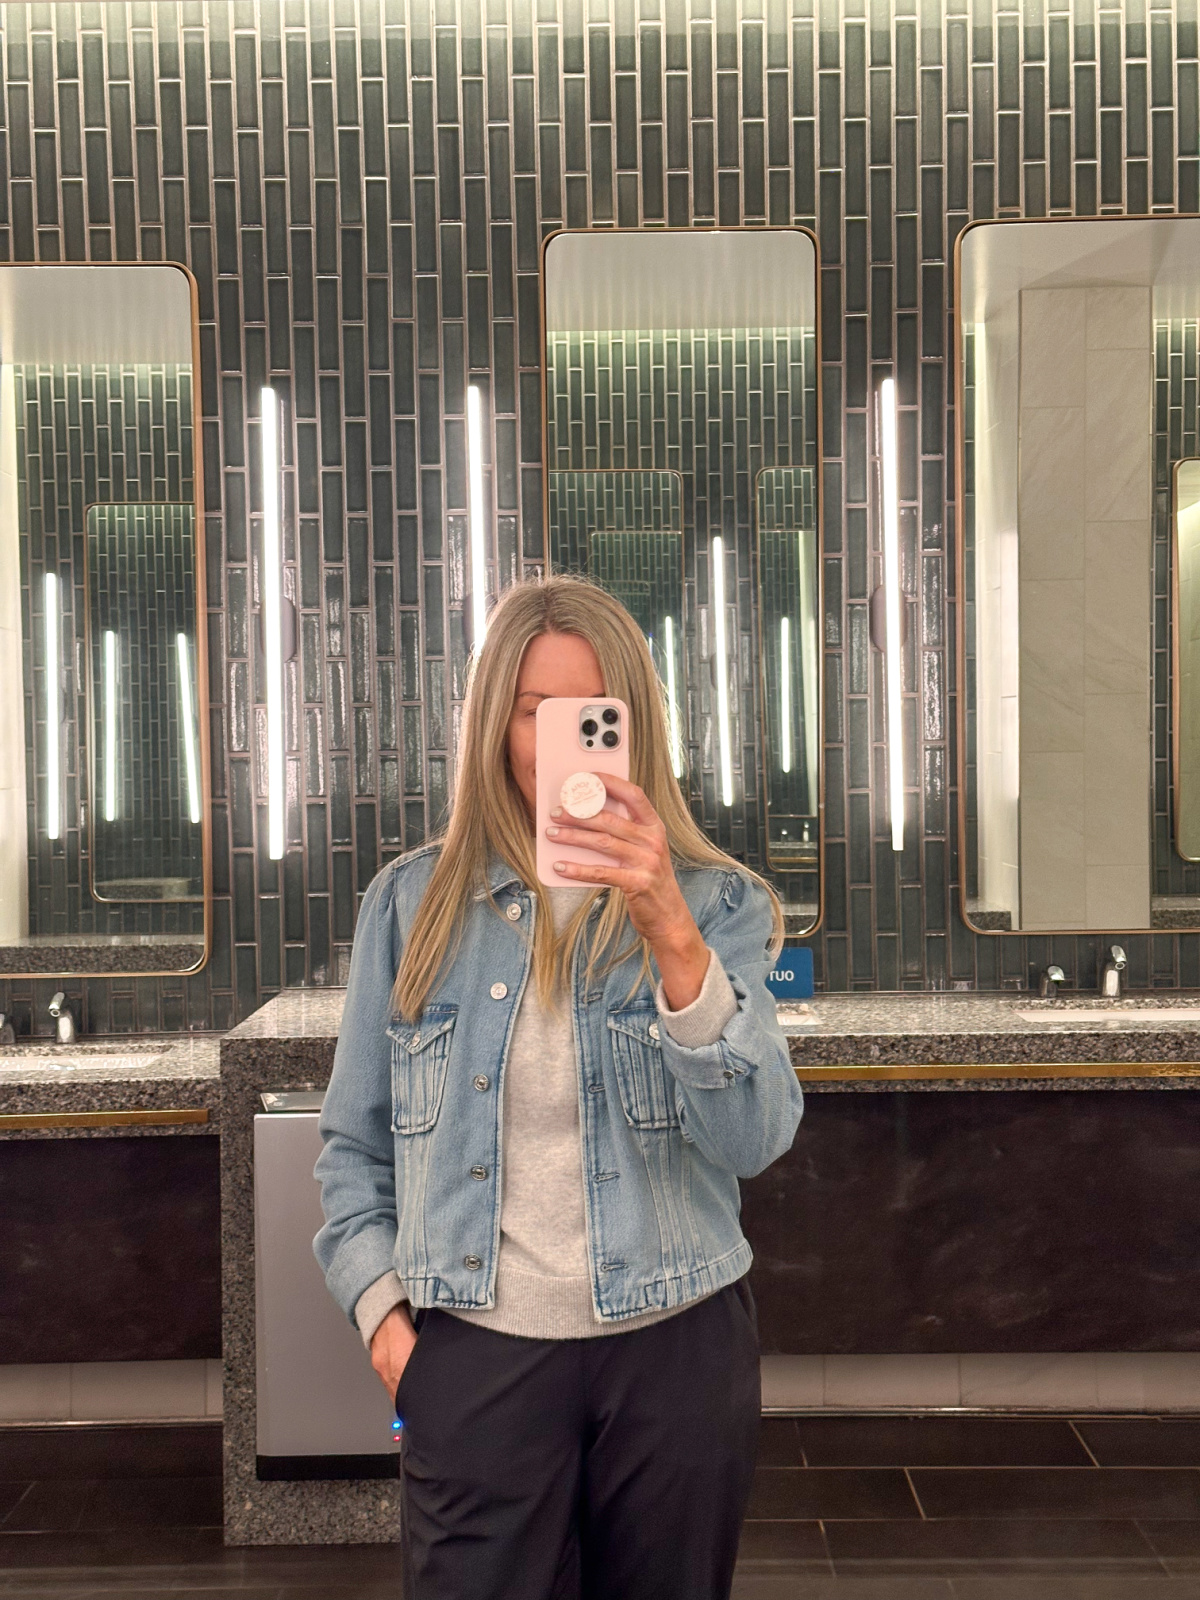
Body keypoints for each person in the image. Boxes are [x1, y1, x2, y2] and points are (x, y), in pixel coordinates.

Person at [314, 574, 804, 1600]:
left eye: (589, 713)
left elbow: (756, 1135)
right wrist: (385, 1322)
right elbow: (352, 1146)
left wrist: (667, 925)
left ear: (629, 726)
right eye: (532, 709)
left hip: (677, 1350)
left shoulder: (719, 905)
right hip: (476, 1352)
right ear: (497, 722)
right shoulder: (411, 907)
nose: (557, 739)